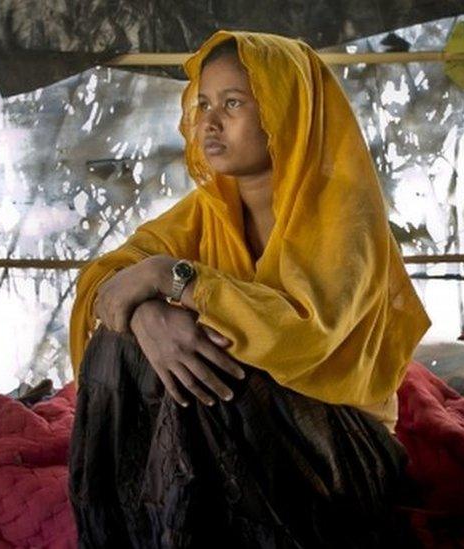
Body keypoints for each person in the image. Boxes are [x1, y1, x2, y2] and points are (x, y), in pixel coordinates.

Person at [67, 30, 431, 548]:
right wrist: (147, 310)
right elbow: (107, 282)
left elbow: (297, 336)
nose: (208, 123)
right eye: (203, 105)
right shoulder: (210, 210)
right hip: (251, 432)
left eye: (233, 103)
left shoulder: (344, 213)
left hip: (343, 450)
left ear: (284, 112)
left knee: (215, 366)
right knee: (119, 342)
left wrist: (173, 278)